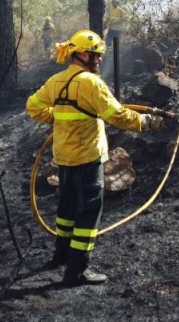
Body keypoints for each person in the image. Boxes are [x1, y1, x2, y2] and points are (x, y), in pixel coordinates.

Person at [25, 29, 166, 286]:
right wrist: (147, 122)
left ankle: (61, 257)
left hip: (64, 159)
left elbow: (33, 106)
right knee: (89, 215)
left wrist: (54, 116)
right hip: (88, 159)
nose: (99, 59)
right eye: (96, 55)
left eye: (100, 55)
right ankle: (76, 271)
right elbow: (119, 116)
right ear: (81, 54)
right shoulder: (92, 84)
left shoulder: (56, 81)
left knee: (66, 209)